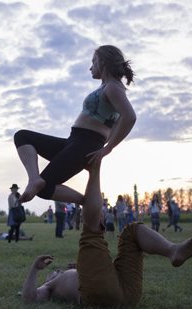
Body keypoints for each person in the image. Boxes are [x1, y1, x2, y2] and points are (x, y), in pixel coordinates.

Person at [21, 160, 192, 307]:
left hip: (127, 292)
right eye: (55, 271)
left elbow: (102, 272)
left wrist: (77, 268)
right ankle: (94, 168)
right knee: (91, 230)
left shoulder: (75, 273)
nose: (57, 270)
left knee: (132, 231)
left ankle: (172, 250)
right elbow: (30, 298)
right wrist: (35, 270)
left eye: (57, 270)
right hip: (98, 294)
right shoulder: (50, 285)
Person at [14, 45, 136, 205]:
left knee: (43, 189)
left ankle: (86, 202)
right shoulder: (107, 87)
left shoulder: (113, 87)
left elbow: (130, 117)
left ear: (104, 62)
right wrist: (105, 142)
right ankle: (34, 178)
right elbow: (116, 123)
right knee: (22, 136)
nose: (90, 67)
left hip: (86, 144)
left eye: (94, 61)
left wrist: (107, 147)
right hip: (75, 141)